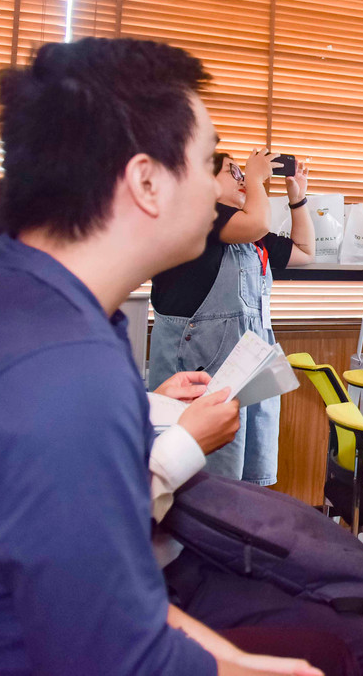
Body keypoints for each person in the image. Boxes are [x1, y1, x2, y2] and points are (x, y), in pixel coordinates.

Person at [0, 36, 326, 675]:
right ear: (146, 182)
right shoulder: (61, 372)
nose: (219, 188)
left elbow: (107, 593)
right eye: (206, 164)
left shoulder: (15, 303)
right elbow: (112, 652)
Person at [0, 177, 363, 676]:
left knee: (348, 611)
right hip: (138, 580)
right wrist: (188, 442)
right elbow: (96, 564)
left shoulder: (21, 344)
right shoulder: (32, 373)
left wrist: (153, 401)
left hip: (164, 561)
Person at [147, 150, 314, 484]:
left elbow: (305, 252)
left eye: (242, 173)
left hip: (248, 376)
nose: (242, 179)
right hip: (200, 374)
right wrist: (255, 178)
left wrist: (298, 199)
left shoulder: (250, 238)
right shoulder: (196, 217)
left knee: (245, 485)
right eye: (233, 172)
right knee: (200, 482)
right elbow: (257, 222)